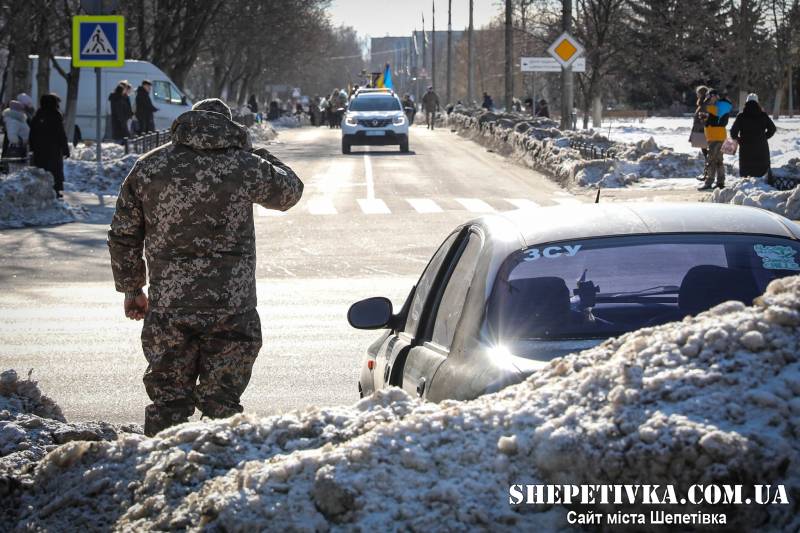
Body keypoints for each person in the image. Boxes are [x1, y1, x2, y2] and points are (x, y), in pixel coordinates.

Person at [107, 98, 304, 437]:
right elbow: (290, 191)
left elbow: (123, 234)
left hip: (170, 305)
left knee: (168, 403)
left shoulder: (150, 166)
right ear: (228, 126)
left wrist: (132, 289)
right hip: (231, 305)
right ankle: (219, 471)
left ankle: (162, 472)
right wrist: (254, 152)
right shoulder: (244, 165)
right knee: (222, 405)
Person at [29, 93, 70, 197]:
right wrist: (65, 149)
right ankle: (55, 191)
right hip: (53, 150)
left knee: (41, 170)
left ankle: (41, 191)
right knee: (54, 171)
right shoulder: (56, 115)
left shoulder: (38, 115)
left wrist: (32, 147)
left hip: (39, 150)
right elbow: (61, 133)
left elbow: (32, 133)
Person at [730, 93, 776, 181]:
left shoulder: (741, 116)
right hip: (761, 147)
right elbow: (772, 129)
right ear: (757, 103)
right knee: (762, 171)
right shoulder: (763, 115)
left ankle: (746, 186)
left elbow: (733, 133)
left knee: (746, 174)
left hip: (746, 147)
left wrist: (740, 140)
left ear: (746, 103)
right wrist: (764, 137)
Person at [698, 89, 732, 191]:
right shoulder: (719, 107)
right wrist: (705, 119)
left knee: (711, 160)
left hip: (716, 136)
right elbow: (710, 120)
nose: (709, 98)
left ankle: (709, 182)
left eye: (710, 96)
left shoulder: (717, 108)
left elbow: (715, 122)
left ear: (714, 96)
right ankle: (720, 182)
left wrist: (706, 117)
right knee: (718, 160)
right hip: (716, 135)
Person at [1, 101, 30, 170]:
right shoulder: (14, 120)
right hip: (18, 148)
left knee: (18, 167)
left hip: (21, 148)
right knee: (16, 168)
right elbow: (12, 137)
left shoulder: (18, 119)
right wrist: (22, 141)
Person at [690, 86, 709, 182]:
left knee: (707, 155)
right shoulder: (702, 104)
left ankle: (707, 174)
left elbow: (704, 120)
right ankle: (707, 174)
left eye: (698, 93)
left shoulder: (704, 105)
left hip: (703, 132)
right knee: (706, 154)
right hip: (701, 131)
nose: (697, 95)